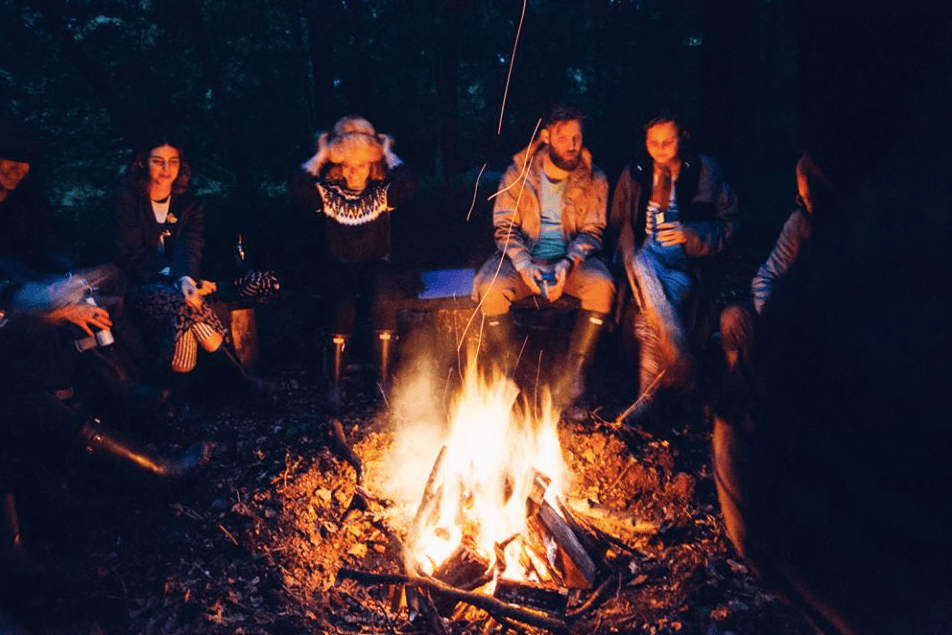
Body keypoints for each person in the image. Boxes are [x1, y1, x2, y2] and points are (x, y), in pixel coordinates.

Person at [113, 131, 274, 400]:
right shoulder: (127, 199)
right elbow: (130, 253)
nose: (166, 169)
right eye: (158, 161)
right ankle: (241, 380)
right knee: (185, 302)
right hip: (140, 283)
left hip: (178, 281)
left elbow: (191, 246)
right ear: (142, 162)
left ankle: (180, 399)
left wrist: (187, 278)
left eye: (173, 161)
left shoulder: (189, 204)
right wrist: (178, 278)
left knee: (186, 306)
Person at [472, 104, 615, 406]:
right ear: (547, 137)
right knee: (490, 287)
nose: (572, 146)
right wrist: (524, 265)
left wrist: (567, 264)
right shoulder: (518, 173)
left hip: (571, 263)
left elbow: (592, 231)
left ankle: (576, 377)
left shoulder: (594, 177)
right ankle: (506, 375)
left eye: (577, 137)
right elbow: (504, 227)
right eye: (563, 138)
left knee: (602, 286)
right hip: (522, 261)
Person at [610, 112, 738, 423]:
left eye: (667, 142)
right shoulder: (636, 174)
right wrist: (626, 250)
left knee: (647, 316)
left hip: (685, 268)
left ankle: (649, 397)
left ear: (682, 137)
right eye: (653, 142)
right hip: (644, 266)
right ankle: (669, 364)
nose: (660, 149)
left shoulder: (705, 173)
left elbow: (729, 226)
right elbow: (618, 224)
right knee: (641, 260)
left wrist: (688, 234)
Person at [290, 115, 415, 412]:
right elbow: (298, 185)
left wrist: (387, 152)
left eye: (361, 165)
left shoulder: (381, 193)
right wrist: (321, 154)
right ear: (339, 167)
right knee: (342, 303)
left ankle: (383, 382)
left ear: (372, 167)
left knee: (384, 297)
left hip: (375, 265)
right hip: (339, 266)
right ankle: (335, 385)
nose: (354, 171)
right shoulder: (329, 194)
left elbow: (409, 184)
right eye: (347, 164)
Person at [718, 153, 832, 389]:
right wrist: (773, 316)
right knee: (733, 318)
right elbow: (767, 276)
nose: (807, 205)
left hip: (819, 323)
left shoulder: (850, 229)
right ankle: (740, 395)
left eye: (810, 198)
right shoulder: (799, 223)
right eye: (802, 199)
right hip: (785, 316)